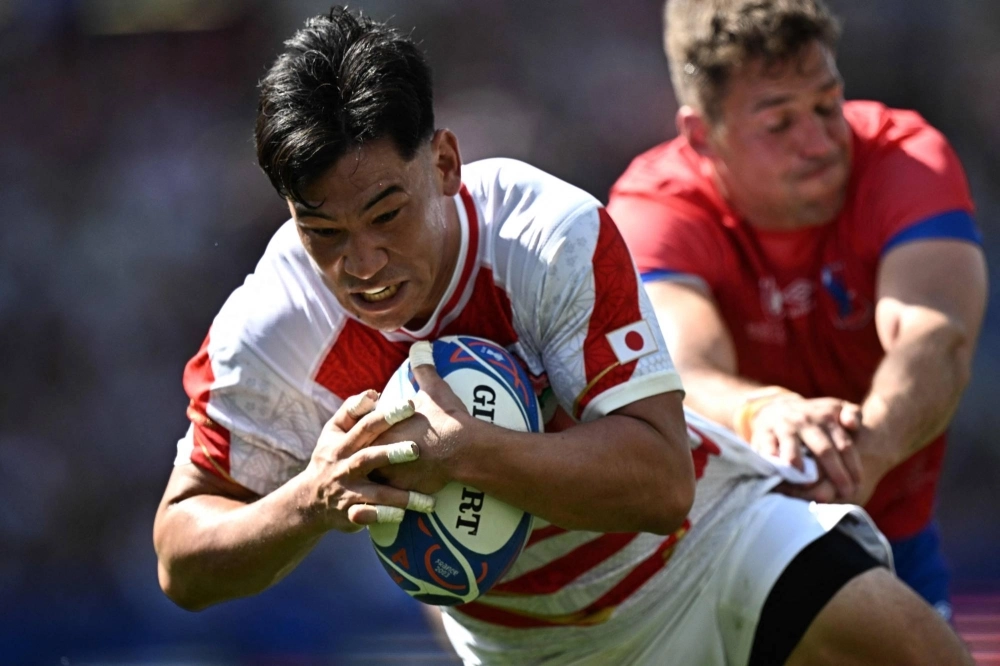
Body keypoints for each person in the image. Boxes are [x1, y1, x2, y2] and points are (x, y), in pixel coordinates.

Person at [153, 7, 972, 665]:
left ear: (443, 163)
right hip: (531, 647)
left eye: (385, 214)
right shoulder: (271, 326)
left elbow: (661, 485)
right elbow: (180, 561)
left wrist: (466, 452)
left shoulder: (544, 232)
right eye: (322, 230)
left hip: (712, 552)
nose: (361, 263)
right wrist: (309, 500)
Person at [608, 0, 988, 621]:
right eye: (779, 123)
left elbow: (934, 337)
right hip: (716, 549)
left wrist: (865, 453)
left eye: (826, 104)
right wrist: (766, 411)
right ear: (702, 134)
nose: (820, 142)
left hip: (889, 539)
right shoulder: (653, 207)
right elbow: (680, 371)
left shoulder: (906, 157)